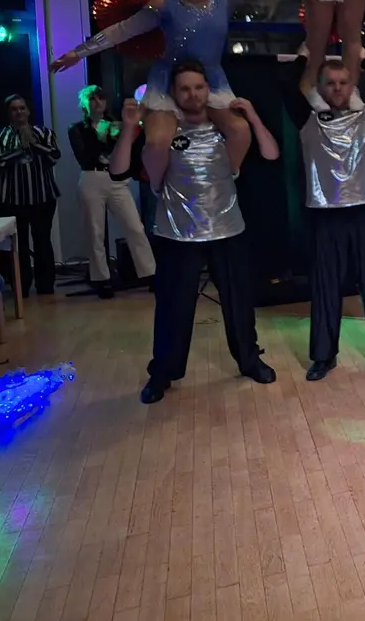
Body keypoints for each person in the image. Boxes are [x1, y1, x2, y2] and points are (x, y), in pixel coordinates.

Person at [112, 61, 281, 404]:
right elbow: (117, 171)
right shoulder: (164, 132)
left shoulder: (228, 129)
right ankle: (162, 373)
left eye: (199, 87)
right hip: (178, 234)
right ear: (174, 93)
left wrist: (252, 116)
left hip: (227, 228)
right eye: (185, 88)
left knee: (238, 303)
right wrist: (129, 130)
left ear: (209, 89)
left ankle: (249, 360)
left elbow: (271, 154)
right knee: (173, 307)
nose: (193, 94)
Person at [50, 0, 278, 189]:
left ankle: (224, 182)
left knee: (240, 130)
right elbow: (123, 30)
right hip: (167, 82)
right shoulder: (165, 4)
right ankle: (161, 190)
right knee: (157, 143)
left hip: (210, 81)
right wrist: (79, 52)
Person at [281, 55, 365, 380]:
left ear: (352, 86)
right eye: (330, 83)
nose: (336, 88)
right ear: (321, 86)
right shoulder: (308, 120)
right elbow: (284, 85)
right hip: (325, 213)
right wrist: (308, 55)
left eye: (343, 82)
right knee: (325, 286)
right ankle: (323, 356)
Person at [68, 85, 154, 298]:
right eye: (93, 99)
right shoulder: (77, 128)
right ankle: (101, 279)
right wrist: (110, 142)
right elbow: (85, 157)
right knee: (95, 231)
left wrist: (121, 135)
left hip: (116, 179)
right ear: (85, 105)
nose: (98, 103)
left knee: (135, 227)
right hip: (91, 177)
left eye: (100, 98)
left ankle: (150, 274)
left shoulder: (119, 124)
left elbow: (131, 149)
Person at [0, 94, 61, 297]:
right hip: (12, 200)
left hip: (43, 197)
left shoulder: (44, 132)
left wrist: (33, 144)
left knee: (42, 242)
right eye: (14, 109)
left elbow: (54, 155)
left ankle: (45, 286)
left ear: (28, 111)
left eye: (22, 108)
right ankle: (21, 288)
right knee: (17, 246)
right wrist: (21, 148)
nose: (19, 112)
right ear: (8, 114)